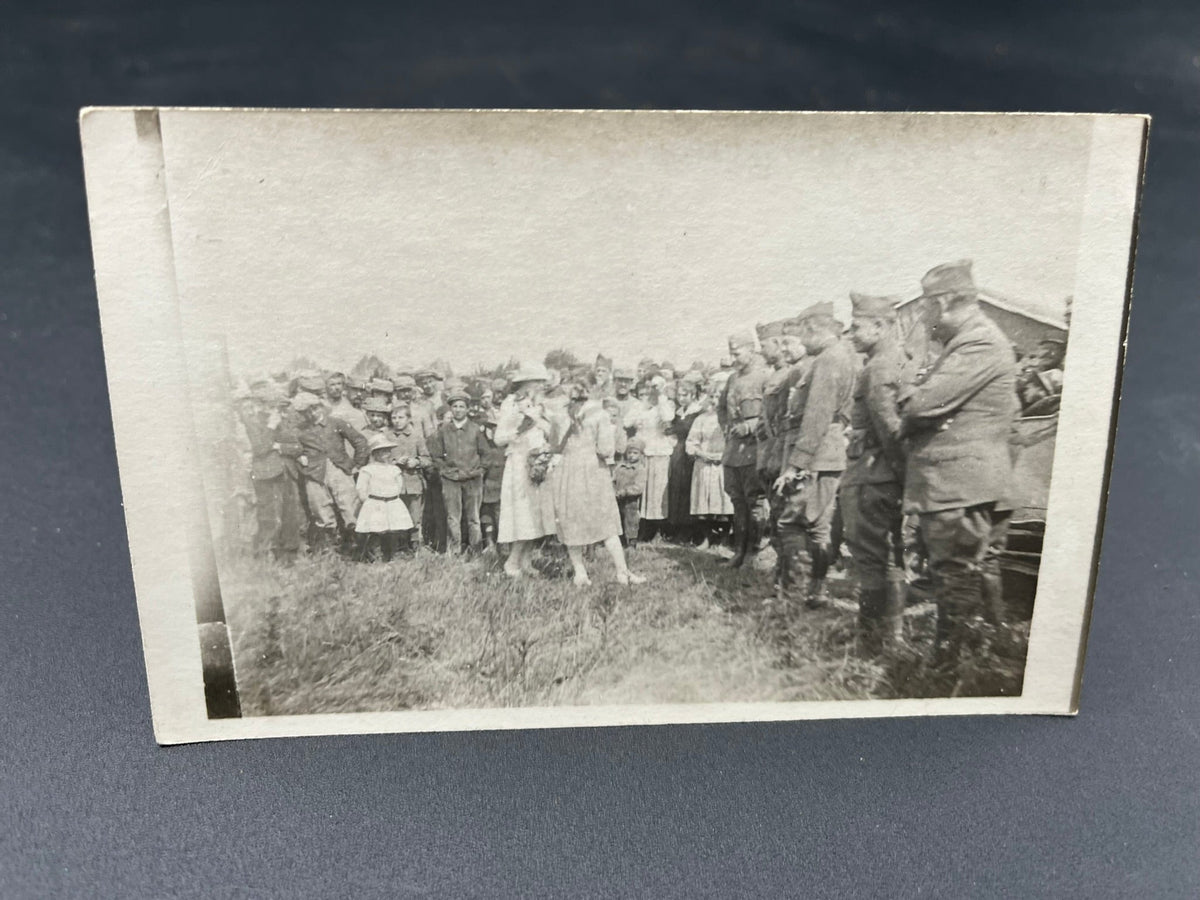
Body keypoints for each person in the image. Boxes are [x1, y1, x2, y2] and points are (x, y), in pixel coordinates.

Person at [899, 260, 1017, 667]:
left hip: (960, 485)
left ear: (944, 301)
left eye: (925, 307)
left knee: (955, 576)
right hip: (963, 482)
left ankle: (950, 668)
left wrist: (913, 390)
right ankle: (986, 656)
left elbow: (920, 405)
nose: (922, 316)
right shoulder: (967, 342)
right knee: (969, 573)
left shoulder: (978, 343)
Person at [775, 301, 859, 610]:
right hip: (831, 453)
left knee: (792, 523)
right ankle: (816, 591)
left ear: (812, 329)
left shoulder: (827, 360)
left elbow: (816, 416)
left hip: (814, 457)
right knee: (820, 527)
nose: (800, 342)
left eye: (801, 334)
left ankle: (793, 596)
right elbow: (845, 413)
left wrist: (795, 464)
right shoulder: (846, 357)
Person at [842, 292, 911, 652]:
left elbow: (888, 427)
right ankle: (891, 638)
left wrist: (899, 473)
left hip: (872, 474)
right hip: (883, 473)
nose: (851, 334)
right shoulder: (891, 360)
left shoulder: (879, 367)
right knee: (891, 556)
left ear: (881, 326)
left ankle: (869, 643)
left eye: (856, 327)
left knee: (870, 559)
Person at [549, 380, 646, 586]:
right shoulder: (600, 415)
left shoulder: (559, 415)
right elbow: (605, 450)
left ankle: (580, 572)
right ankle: (622, 572)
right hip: (593, 471)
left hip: (567, 471)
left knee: (571, 519)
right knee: (606, 521)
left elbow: (554, 447)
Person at [494, 362, 556, 577]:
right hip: (519, 463)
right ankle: (511, 562)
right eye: (538, 381)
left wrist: (539, 420)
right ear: (525, 383)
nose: (541, 386)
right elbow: (499, 438)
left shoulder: (542, 405)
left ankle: (526, 561)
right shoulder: (510, 404)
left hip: (539, 462)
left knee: (536, 514)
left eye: (543, 382)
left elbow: (552, 432)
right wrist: (518, 431)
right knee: (523, 513)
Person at [292, 391, 370, 553]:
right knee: (321, 510)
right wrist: (299, 456)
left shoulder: (336, 423)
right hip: (314, 474)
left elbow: (360, 441)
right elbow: (291, 446)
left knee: (350, 507)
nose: (311, 414)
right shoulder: (300, 430)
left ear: (320, 407)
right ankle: (328, 549)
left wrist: (357, 465)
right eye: (306, 412)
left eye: (314, 409)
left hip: (339, 469)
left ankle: (357, 548)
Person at [717, 332, 768, 567]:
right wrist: (727, 428)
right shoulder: (732, 380)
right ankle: (739, 551)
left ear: (751, 350)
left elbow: (773, 414)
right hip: (733, 452)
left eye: (736, 353)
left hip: (754, 451)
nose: (733, 358)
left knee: (755, 502)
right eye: (731, 353)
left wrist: (749, 426)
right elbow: (721, 409)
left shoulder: (764, 377)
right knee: (737, 502)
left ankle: (753, 553)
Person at [238, 383, 302, 564]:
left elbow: (297, 447)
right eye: (269, 404)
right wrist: (272, 427)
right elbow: (259, 448)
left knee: (290, 516)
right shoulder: (253, 421)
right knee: (269, 518)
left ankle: (289, 557)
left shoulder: (280, 420)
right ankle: (264, 556)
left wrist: (279, 447)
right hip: (266, 475)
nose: (273, 409)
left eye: (276, 406)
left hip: (286, 472)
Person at [427, 390, 489, 553]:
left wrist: (479, 470)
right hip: (451, 479)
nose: (458, 410)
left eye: (462, 406)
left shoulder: (475, 430)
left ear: (467, 409)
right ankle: (454, 550)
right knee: (453, 517)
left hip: (473, 479)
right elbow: (436, 455)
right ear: (451, 409)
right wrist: (445, 471)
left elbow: (486, 454)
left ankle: (476, 550)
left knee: (473, 517)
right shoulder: (443, 431)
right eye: (455, 406)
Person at [686, 373, 734, 548]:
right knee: (703, 504)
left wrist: (723, 456)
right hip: (704, 465)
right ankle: (706, 538)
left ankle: (724, 539)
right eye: (712, 396)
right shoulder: (702, 418)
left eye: (719, 397)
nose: (715, 400)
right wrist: (701, 454)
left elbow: (734, 441)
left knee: (724, 504)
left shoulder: (730, 418)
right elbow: (691, 442)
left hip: (722, 464)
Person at [626, 374, 676, 542]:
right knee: (644, 492)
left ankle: (659, 529)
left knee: (657, 492)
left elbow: (668, 418)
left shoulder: (666, 404)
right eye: (649, 387)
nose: (651, 391)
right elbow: (627, 422)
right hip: (643, 452)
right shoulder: (641, 405)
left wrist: (660, 396)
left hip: (659, 453)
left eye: (655, 387)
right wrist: (640, 408)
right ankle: (644, 528)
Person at [352, 433, 414, 562]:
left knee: (394, 529)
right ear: (374, 453)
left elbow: (399, 485)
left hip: (392, 502)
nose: (385, 453)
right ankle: (375, 553)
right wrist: (369, 502)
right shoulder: (367, 470)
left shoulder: (394, 469)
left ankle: (392, 553)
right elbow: (361, 488)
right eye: (380, 451)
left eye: (387, 450)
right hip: (375, 503)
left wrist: (393, 496)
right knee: (377, 529)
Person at [666, 372, 704, 541]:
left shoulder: (697, 412)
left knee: (688, 489)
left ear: (693, 394)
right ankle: (676, 527)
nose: (681, 398)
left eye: (685, 395)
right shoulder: (677, 412)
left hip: (689, 454)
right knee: (676, 487)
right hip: (677, 452)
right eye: (679, 395)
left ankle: (689, 530)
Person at [389, 403, 431, 552]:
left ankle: (414, 546)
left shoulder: (416, 437)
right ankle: (398, 547)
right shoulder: (387, 436)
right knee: (396, 516)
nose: (397, 421)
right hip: (394, 484)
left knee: (415, 517)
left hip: (413, 483)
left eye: (401, 417)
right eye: (394, 418)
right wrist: (394, 462)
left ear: (408, 419)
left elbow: (427, 459)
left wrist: (417, 462)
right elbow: (379, 458)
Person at [613, 437, 648, 550]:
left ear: (641, 455)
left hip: (631, 500)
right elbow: (613, 480)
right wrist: (613, 490)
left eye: (635, 453)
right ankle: (621, 540)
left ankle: (632, 542)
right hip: (617, 498)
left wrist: (626, 491)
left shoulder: (640, 469)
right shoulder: (620, 467)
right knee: (618, 518)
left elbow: (639, 487)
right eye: (629, 452)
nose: (632, 455)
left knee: (631, 520)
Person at [479, 412, 507, 550]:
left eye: (496, 428)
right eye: (490, 428)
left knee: (500, 515)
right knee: (485, 514)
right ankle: (489, 542)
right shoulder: (484, 445)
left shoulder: (505, 447)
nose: (493, 431)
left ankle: (503, 543)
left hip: (501, 485)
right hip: (486, 484)